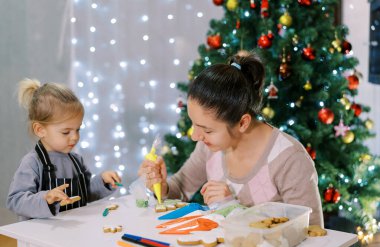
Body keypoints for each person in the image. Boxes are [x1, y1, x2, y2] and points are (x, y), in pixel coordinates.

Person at [138, 51, 323, 226]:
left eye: (207, 130)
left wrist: (231, 208)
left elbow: (312, 236)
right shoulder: (210, 147)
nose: (195, 136)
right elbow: (180, 188)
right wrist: (162, 188)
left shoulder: (289, 160)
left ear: (242, 123)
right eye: (193, 124)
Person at [7, 79, 121, 221]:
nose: (75, 137)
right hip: (40, 236)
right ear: (40, 130)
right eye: (66, 132)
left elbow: (85, 193)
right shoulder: (32, 162)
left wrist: (103, 182)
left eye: (77, 129)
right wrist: (46, 198)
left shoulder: (76, 160)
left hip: (72, 233)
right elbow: (15, 200)